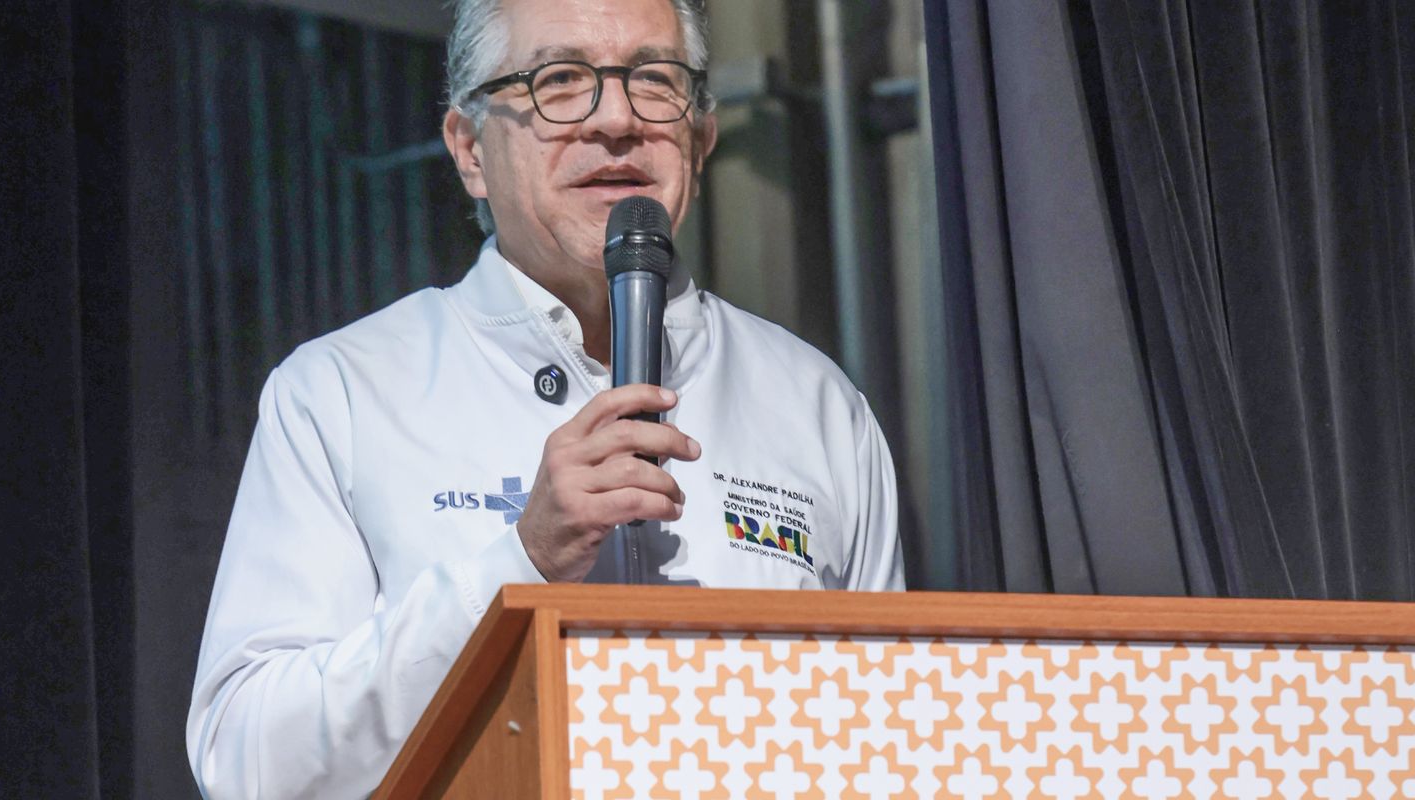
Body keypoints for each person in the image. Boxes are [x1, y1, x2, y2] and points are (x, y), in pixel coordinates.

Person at [186, 0, 904, 796]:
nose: (617, 119)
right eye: (559, 79)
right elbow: (248, 762)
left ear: (700, 137)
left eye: (654, 79)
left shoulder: (818, 406)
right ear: (470, 150)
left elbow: (889, 737)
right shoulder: (341, 394)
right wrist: (518, 564)